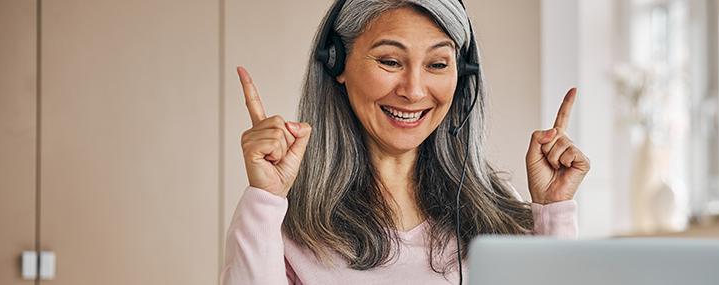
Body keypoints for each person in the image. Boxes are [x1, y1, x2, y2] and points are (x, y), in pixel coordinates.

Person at [221, 0, 590, 284]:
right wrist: (266, 198)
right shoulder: (289, 218)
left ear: (463, 76)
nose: (413, 91)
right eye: (390, 61)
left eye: (438, 64)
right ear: (337, 64)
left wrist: (552, 210)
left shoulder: (496, 208)